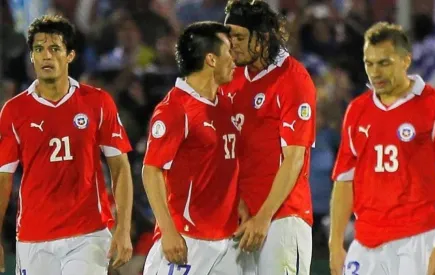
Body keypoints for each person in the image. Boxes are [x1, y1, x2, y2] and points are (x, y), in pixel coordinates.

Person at [329, 22, 435, 275]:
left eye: (384, 63)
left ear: (406, 60)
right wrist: (335, 244)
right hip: (366, 241)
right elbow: (344, 180)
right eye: (369, 63)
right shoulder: (357, 110)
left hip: (418, 239)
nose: (375, 72)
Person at [0, 15, 134, 274]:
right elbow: (3, 179)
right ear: (31, 57)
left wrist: (123, 228)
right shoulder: (13, 111)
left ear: (70, 55)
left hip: (88, 233)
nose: (45, 56)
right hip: (33, 236)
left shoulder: (97, 102)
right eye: (38, 49)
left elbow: (120, 167)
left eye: (54, 49)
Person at [142, 21, 252, 275]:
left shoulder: (224, 104)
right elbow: (151, 171)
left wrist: (240, 202)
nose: (234, 61)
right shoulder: (175, 109)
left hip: (227, 242)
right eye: (228, 53)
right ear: (211, 59)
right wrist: (168, 232)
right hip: (186, 240)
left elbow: (223, 163)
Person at [223, 1, 316, 274]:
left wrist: (264, 217)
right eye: (228, 35)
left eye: (239, 36)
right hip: (239, 218)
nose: (231, 43)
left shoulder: (293, 80)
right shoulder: (231, 76)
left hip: (282, 218)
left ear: (262, 39)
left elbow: (294, 158)